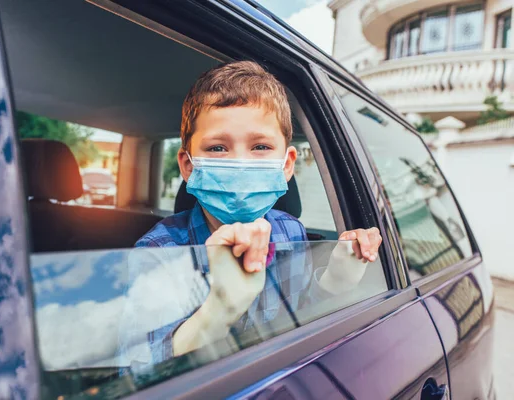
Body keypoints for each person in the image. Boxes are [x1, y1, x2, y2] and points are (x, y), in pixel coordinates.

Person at [128, 61, 382, 364]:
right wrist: (215, 312)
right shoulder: (158, 252)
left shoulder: (291, 231)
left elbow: (297, 313)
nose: (240, 163)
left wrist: (335, 281)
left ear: (287, 164)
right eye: (217, 148)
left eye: (260, 146)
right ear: (188, 165)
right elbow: (135, 372)